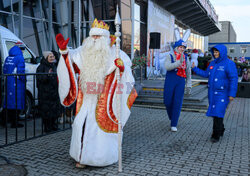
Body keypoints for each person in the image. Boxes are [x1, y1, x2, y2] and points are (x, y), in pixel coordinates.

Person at [55, 18, 137, 168]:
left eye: (98, 36)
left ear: (105, 37)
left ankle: (100, 158)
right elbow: (72, 61)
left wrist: (122, 69)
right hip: (86, 99)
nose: (94, 39)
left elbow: (126, 77)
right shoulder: (83, 50)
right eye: (93, 36)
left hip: (105, 100)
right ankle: (80, 157)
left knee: (98, 131)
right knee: (81, 125)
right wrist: (64, 52)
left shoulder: (116, 52)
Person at [192, 44, 238, 143]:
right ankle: (221, 128)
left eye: (217, 52)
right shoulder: (212, 63)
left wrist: (232, 94)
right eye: (214, 52)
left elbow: (233, 79)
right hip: (212, 93)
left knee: (218, 112)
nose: (215, 54)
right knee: (216, 112)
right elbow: (206, 74)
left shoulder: (229, 63)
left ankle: (215, 134)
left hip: (223, 93)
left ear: (222, 52)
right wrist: (195, 68)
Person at [163, 28, 192, 132]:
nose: (182, 49)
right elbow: (167, 67)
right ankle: (172, 117)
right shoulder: (170, 56)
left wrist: (189, 84)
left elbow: (188, 72)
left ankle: (174, 122)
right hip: (170, 81)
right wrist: (177, 63)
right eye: (180, 47)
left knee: (177, 102)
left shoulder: (186, 58)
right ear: (176, 47)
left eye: (183, 47)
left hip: (180, 81)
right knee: (167, 101)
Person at [2, 43, 26, 128]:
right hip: (17, 83)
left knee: (9, 102)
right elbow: (21, 72)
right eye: (23, 50)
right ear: (21, 49)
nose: (23, 52)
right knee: (16, 102)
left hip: (8, 82)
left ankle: (3, 120)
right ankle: (14, 123)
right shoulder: (20, 58)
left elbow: (4, 70)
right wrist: (24, 80)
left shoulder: (8, 57)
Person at [36, 51, 60, 132]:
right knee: (46, 111)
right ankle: (47, 127)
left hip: (53, 92)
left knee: (54, 109)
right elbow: (39, 79)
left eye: (53, 56)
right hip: (45, 93)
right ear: (46, 58)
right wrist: (47, 75)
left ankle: (54, 125)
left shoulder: (54, 66)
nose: (53, 58)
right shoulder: (41, 67)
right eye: (50, 57)